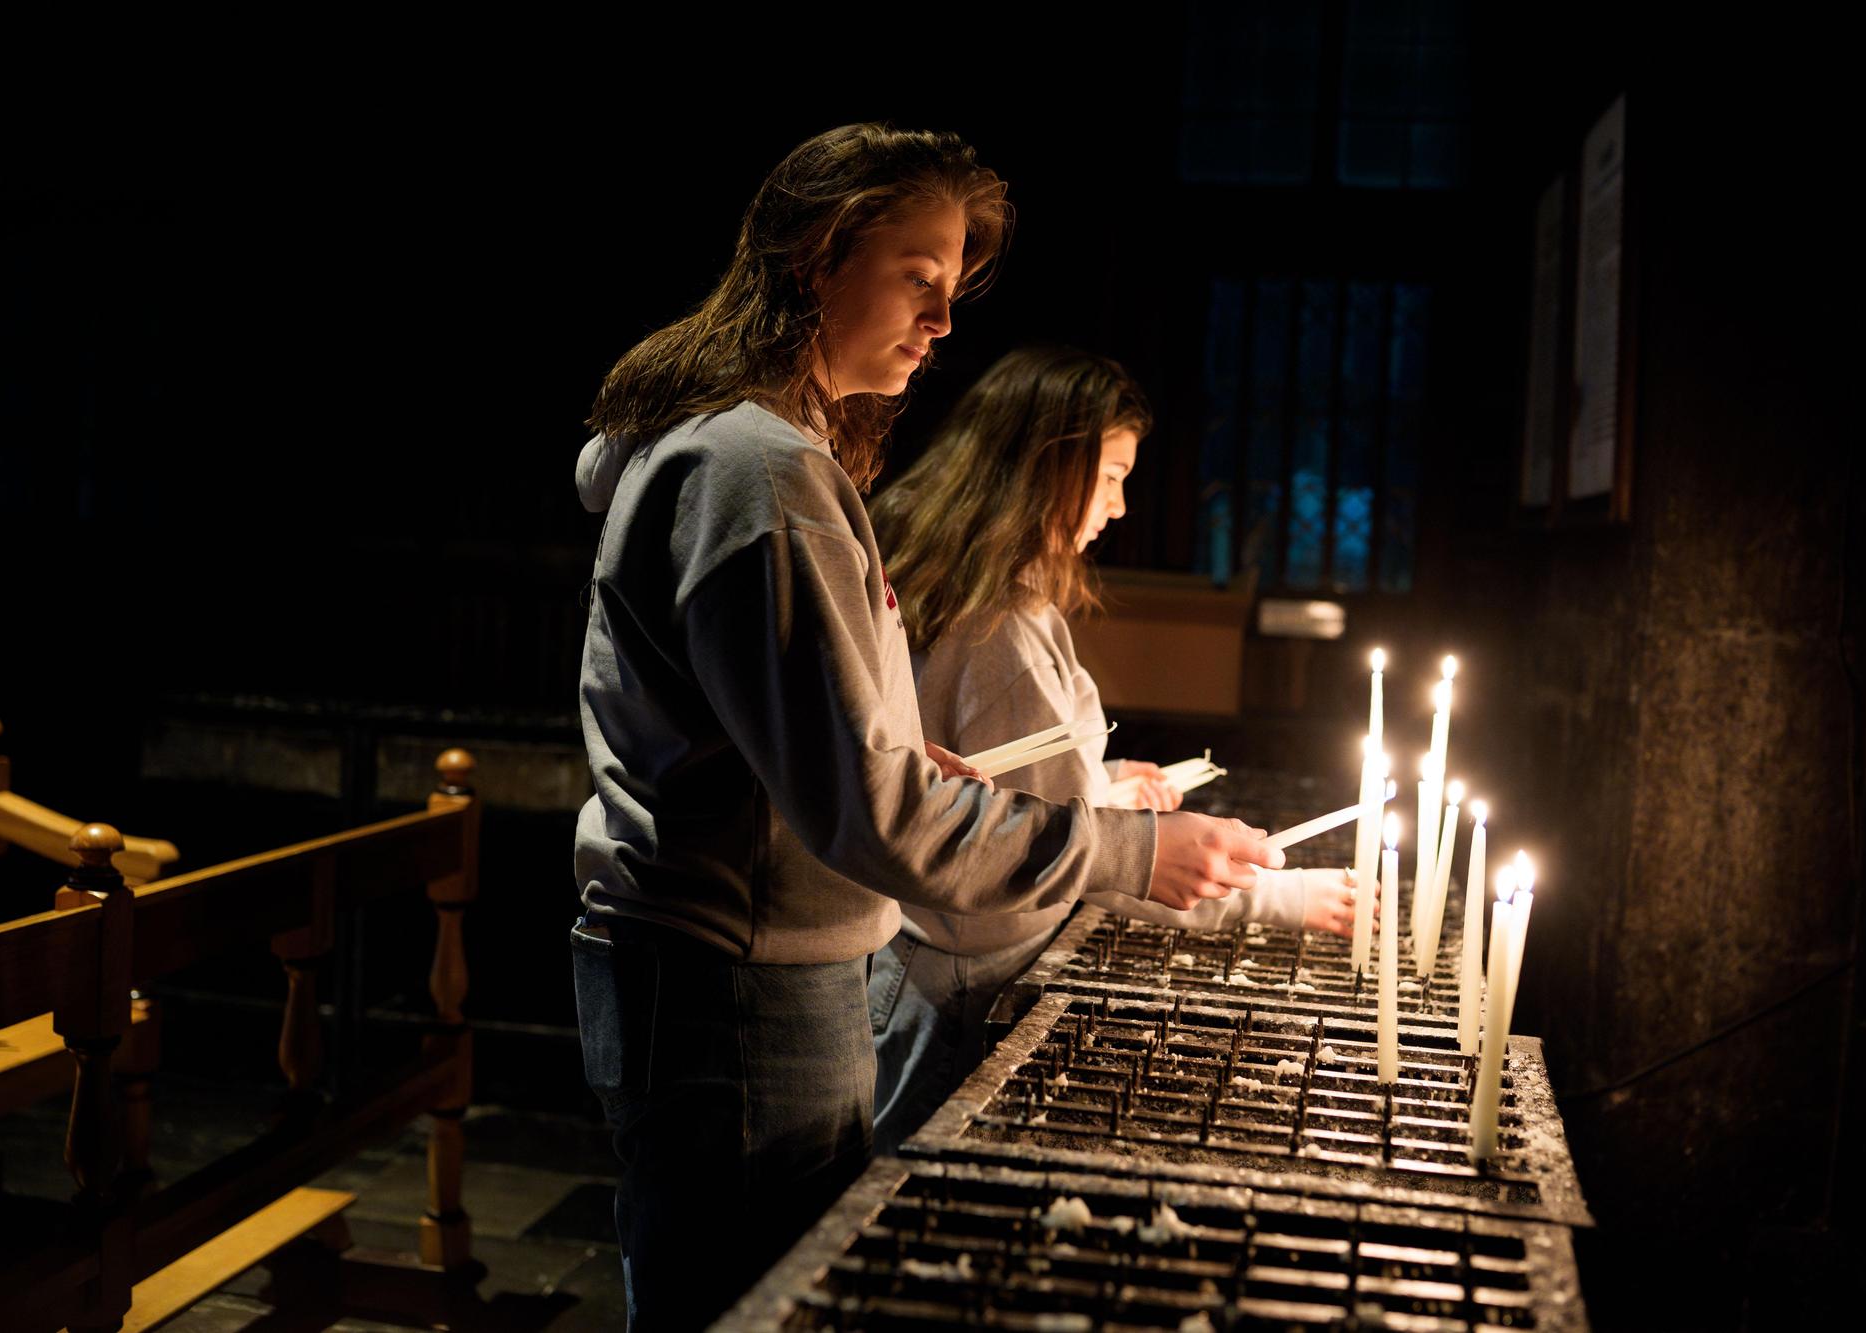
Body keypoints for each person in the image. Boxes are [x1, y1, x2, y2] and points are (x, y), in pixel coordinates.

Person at [569, 125, 1282, 1331]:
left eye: (955, 289)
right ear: (815, 258)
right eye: (919, 277)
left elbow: (814, 757)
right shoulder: (760, 473)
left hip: (742, 969)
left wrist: (900, 757)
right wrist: (1128, 853)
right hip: (735, 988)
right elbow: (869, 811)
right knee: (740, 1305)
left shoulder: (761, 459)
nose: (943, 323)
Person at [866, 346, 1361, 1151]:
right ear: (1044, 469)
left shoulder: (997, 601)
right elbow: (1075, 856)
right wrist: (1284, 898)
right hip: (960, 986)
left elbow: (1011, 792)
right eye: (1109, 478)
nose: (1121, 506)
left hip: (939, 967)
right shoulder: (1002, 633)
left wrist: (1100, 781)